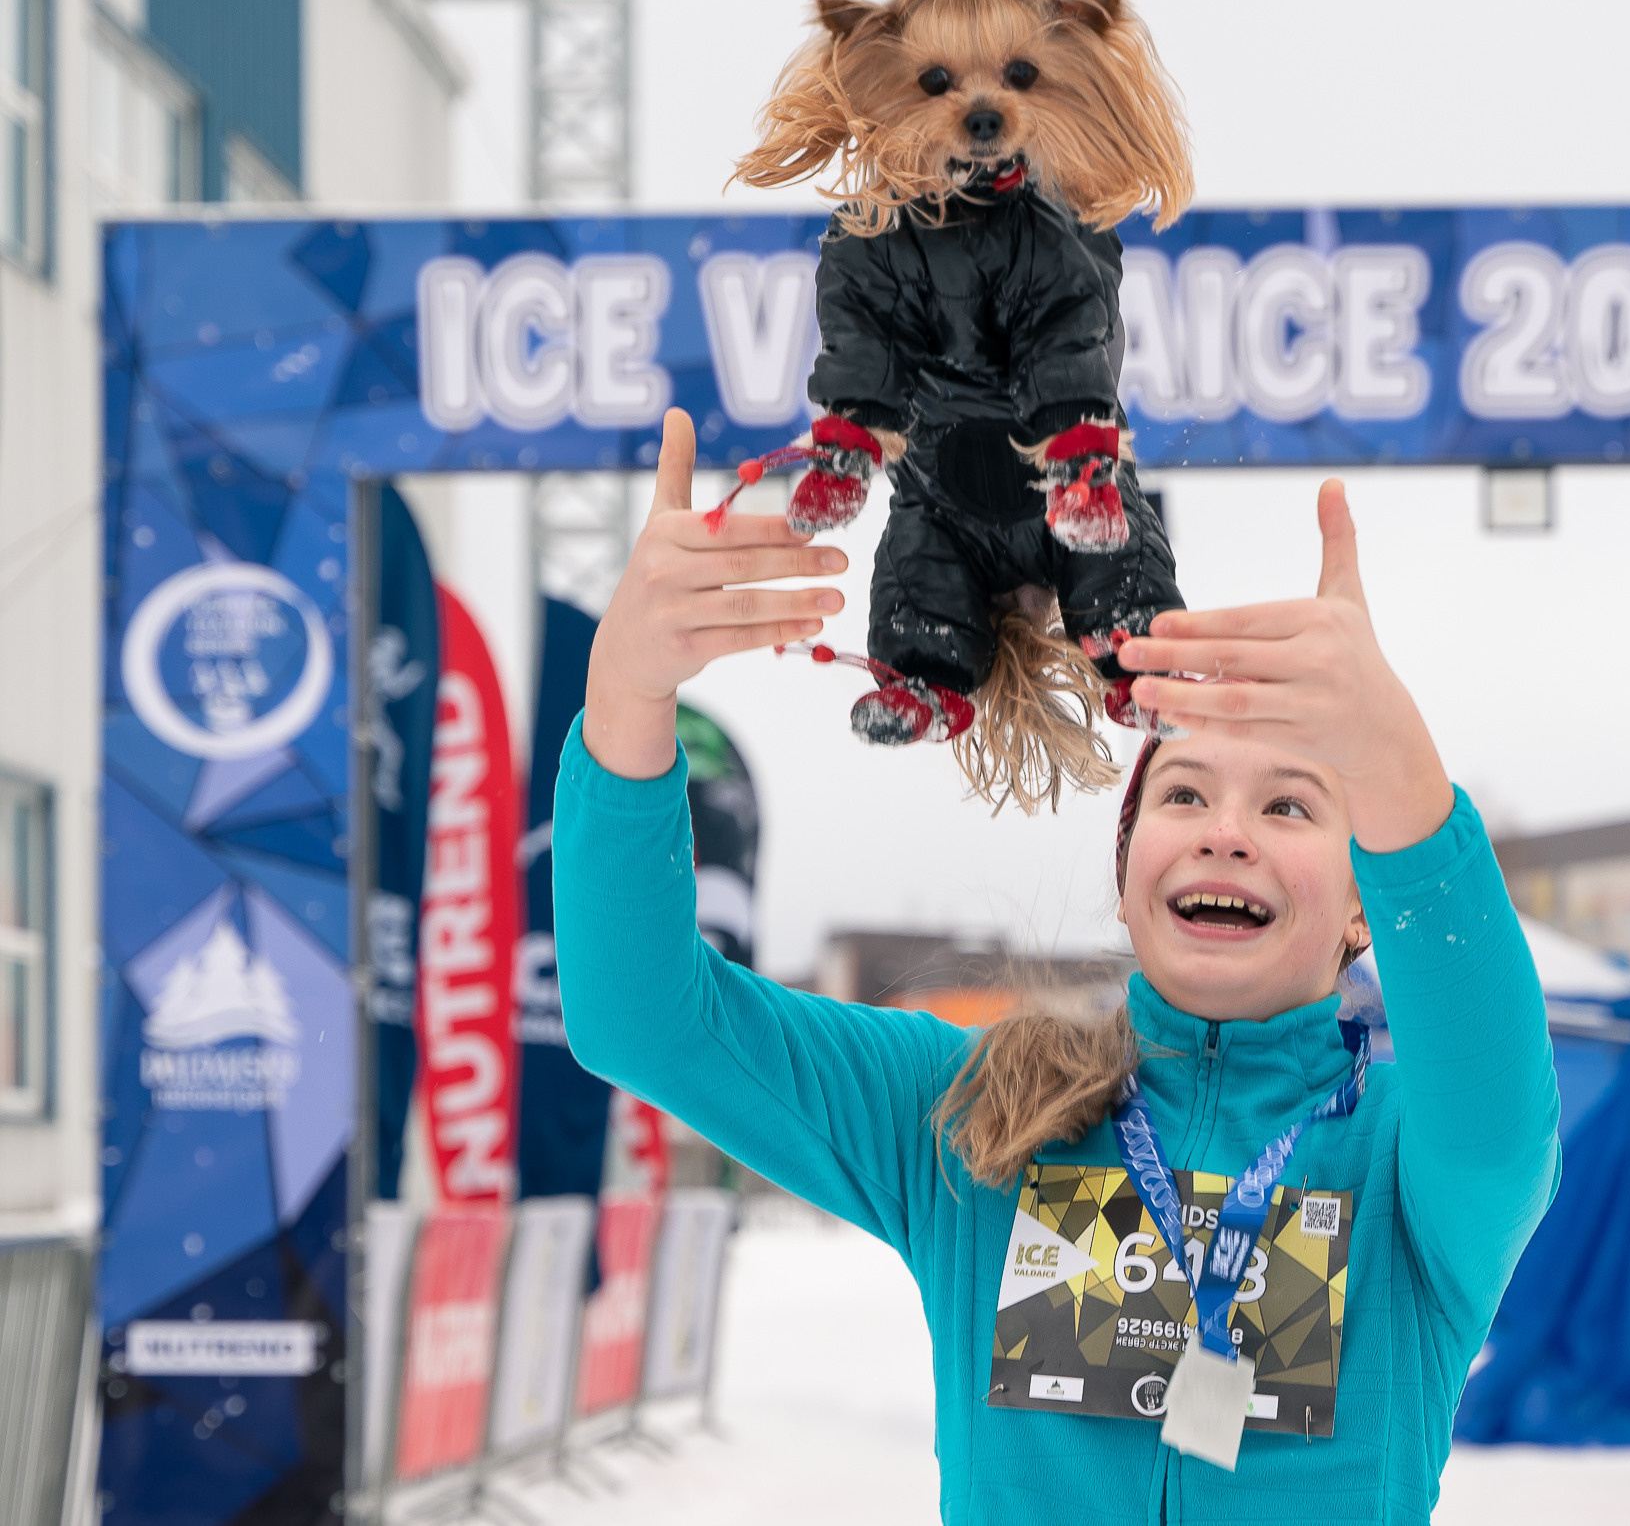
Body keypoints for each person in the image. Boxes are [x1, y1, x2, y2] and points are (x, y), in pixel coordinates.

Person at [556, 409, 1560, 1521]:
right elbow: (640, 1016)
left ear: (1366, 904)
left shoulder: (1411, 1166)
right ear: (1129, 869)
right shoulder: (984, 1114)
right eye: (1183, 793)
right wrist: (626, 693)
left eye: (1288, 801)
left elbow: (1499, 1108)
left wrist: (1398, 772)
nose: (1227, 830)